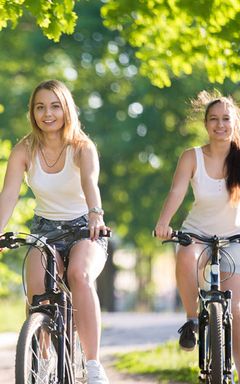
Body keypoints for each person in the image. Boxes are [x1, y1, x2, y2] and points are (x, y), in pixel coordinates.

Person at [0, 79, 110, 384]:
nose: (47, 113)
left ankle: (92, 366)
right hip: (44, 230)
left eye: (54, 106)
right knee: (37, 291)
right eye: (40, 107)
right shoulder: (24, 149)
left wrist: (95, 215)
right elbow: (8, 195)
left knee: (79, 275)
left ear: (66, 110)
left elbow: (90, 183)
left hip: (84, 228)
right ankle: (43, 356)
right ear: (32, 112)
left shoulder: (82, 147)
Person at [155, 90, 240, 377]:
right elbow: (176, 191)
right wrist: (164, 222)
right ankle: (191, 321)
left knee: (238, 313)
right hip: (198, 232)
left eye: (226, 119)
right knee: (185, 258)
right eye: (214, 119)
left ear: (235, 123)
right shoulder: (191, 157)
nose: (220, 125)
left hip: (234, 238)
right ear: (205, 124)